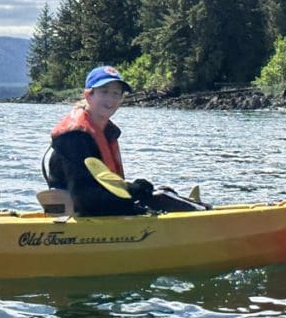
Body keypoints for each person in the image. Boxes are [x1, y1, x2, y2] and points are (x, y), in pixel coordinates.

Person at [44, 65, 207, 216]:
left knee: (163, 192)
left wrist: (133, 190)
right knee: (160, 197)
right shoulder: (75, 138)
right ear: (89, 95)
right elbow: (84, 196)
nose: (111, 99)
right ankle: (204, 219)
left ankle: (200, 210)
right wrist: (132, 192)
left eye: (116, 93)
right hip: (83, 212)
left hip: (98, 206)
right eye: (104, 91)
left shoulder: (103, 130)